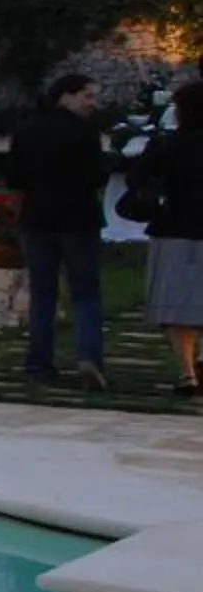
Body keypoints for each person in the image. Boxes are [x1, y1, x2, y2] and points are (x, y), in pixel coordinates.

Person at [6, 70, 111, 387]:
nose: (92, 103)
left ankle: (39, 363)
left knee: (43, 295)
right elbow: (97, 176)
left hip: (37, 220)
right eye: (87, 96)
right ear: (66, 95)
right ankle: (88, 357)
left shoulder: (26, 131)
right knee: (85, 294)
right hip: (78, 220)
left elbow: (14, 178)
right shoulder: (84, 132)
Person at [127, 78, 203, 399]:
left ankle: (187, 370)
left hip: (172, 227)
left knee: (175, 305)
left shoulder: (164, 146)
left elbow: (136, 178)